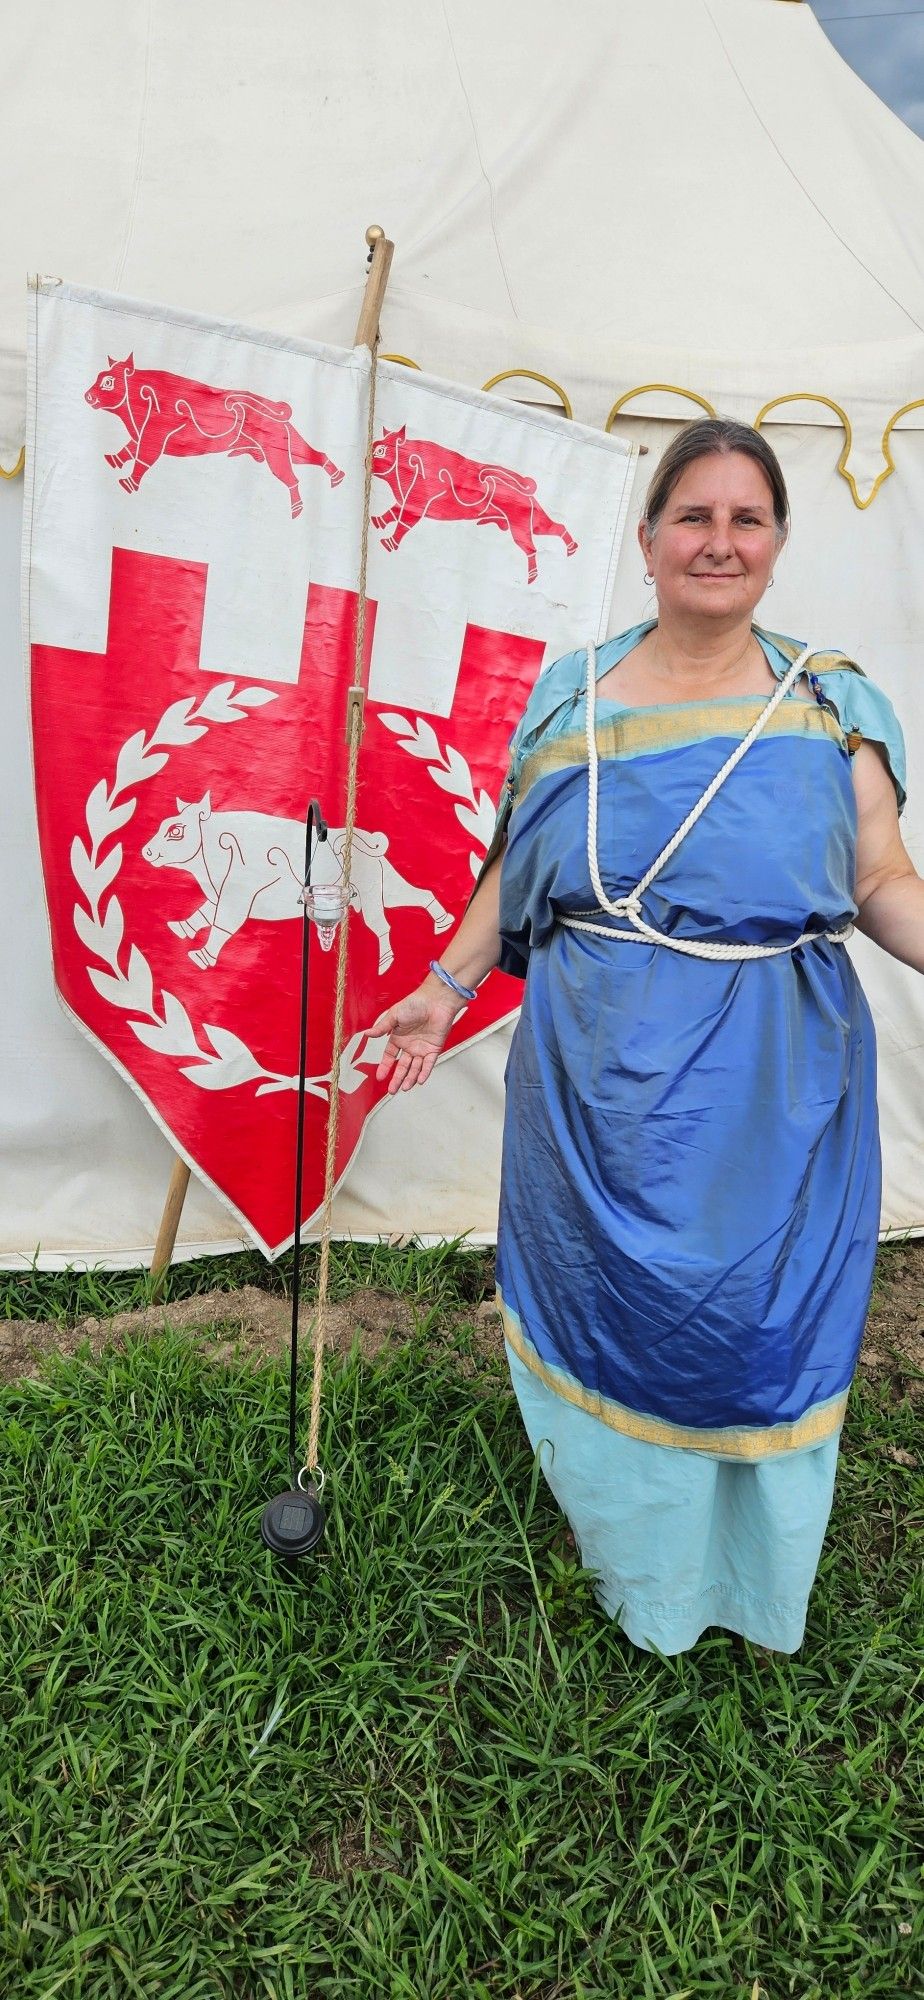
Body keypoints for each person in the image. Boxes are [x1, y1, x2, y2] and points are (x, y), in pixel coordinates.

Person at [370, 418, 923, 1656]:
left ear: (778, 542)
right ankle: (634, 1570)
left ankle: (746, 1584)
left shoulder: (830, 700)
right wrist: (444, 986)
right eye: (695, 516)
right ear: (648, 538)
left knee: (758, 1328)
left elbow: (882, 873)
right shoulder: (572, 690)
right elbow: (522, 873)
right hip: (593, 1080)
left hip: (774, 1089)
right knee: (609, 1308)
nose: (719, 542)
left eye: (747, 519)